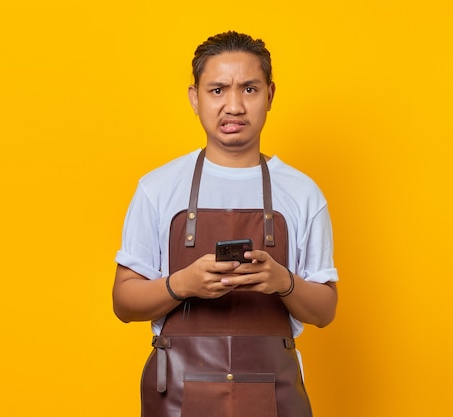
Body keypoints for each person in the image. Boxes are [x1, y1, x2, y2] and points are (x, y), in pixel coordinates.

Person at [113, 30, 339, 417]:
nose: (233, 105)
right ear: (194, 98)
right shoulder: (158, 188)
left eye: (248, 89)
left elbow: (325, 310)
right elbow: (123, 302)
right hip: (178, 393)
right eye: (217, 90)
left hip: (275, 392)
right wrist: (183, 284)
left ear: (269, 94)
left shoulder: (303, 193)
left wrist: (282, 281)